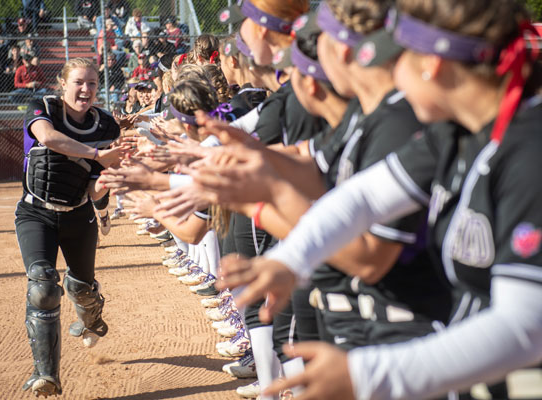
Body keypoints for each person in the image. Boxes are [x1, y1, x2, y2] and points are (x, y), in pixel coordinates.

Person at [208, 0, 542, 398]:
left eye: (396, 58)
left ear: (431, 64)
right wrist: (291, 259)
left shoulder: (529, 152)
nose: (387, 74)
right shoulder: (455, 133)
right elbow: (361, 197)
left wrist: (367, 373)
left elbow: (526, 326)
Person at [15, 57, 123, 397]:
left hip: (78, 216)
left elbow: (93, 190)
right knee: (43, 287)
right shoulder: (43, 107)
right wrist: (97, 155)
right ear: (63, 84)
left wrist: (110, 175)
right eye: (78, 82)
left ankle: (91, 316)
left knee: (81, 288)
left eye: (92, 83)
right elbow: (47, 138)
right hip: (36, 214)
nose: (86, 90)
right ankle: (46, 374)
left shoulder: (106, 127)